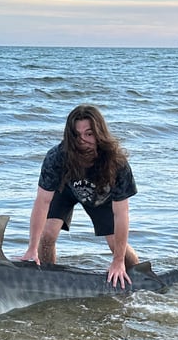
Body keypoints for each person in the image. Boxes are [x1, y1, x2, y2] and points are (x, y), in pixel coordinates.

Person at [21, 104, 139, 288]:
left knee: (117, 247)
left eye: (89, 134)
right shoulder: (56, 157)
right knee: (47, 235)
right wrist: (32, 248)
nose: (82, 141)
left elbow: (121, 213)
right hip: (65, 190)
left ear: (99, 133)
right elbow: (42, 202)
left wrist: (117, 261)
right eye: (77, 135)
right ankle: (47, 279)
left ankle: (142, 278)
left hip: (100, 196)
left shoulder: (116, 162)